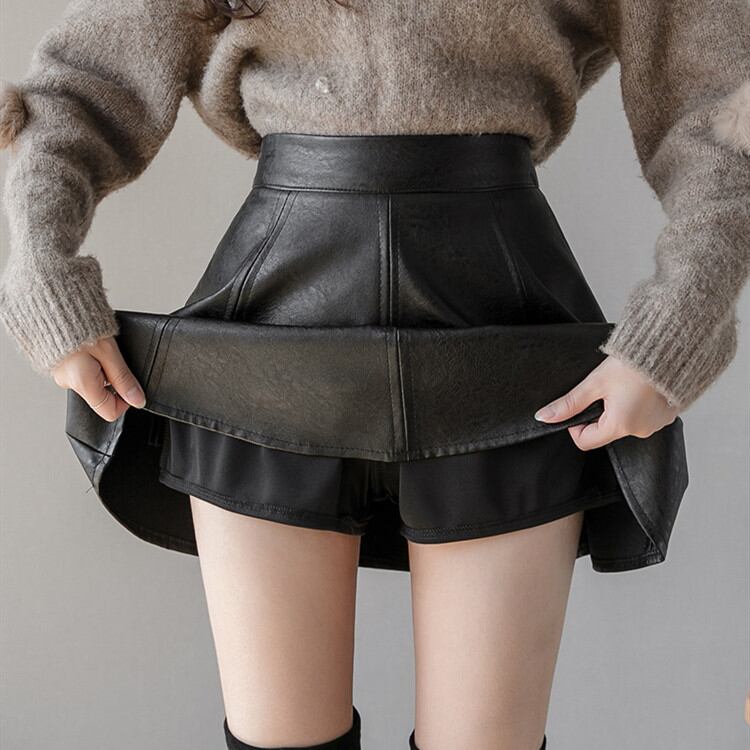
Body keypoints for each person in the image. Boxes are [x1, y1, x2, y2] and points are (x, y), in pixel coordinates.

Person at [0, 1, 747, 748]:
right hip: (269, 347)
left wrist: (679, 324)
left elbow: (720, 107)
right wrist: (40, 272)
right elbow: (81, 91)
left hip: (501, 346)